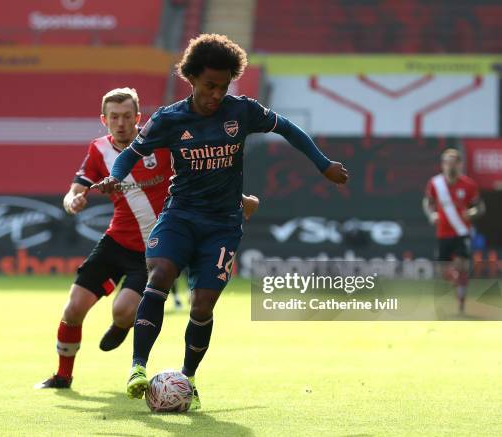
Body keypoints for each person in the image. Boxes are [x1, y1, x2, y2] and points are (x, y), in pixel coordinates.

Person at [94, 34, 349, 409]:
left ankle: (188, 379)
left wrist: (323, 164)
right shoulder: (169, 119)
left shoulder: (241, 111)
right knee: (160, 273)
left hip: (223, 224)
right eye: (210, 85)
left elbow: (289, 129)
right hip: (179, 215)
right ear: (191, 78)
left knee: (202, 306)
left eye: (223, 85)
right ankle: (138, 367)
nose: (216, 94)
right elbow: (130, 154)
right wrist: (116, 176)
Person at [36, 87, 260, 389]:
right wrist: (72, 201)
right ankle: (63, 376)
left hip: (154, 249)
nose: (121, 123)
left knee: (124, 311)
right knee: (73, 308)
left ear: (138, 117)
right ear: (104, 119)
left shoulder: (162, 140)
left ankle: (121, 325)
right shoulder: (97, 150)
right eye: (114, 117)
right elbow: (74, 190)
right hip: (116, 242)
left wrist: (239, 198)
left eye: (127, 116)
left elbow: (202, 176)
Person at [423, 148, 485, 313]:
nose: (450, 166)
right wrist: (432, 214)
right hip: (443, 233)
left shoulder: (468, 184)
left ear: (460, 165)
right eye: (447, 163)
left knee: (462, 266)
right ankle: (455, 281)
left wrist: (471, 213)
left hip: (461, 232)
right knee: (443, 271)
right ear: (442, 165)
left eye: (453, 163)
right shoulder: (435, 183)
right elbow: (428, 202)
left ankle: (461, 305)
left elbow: (480, 206)